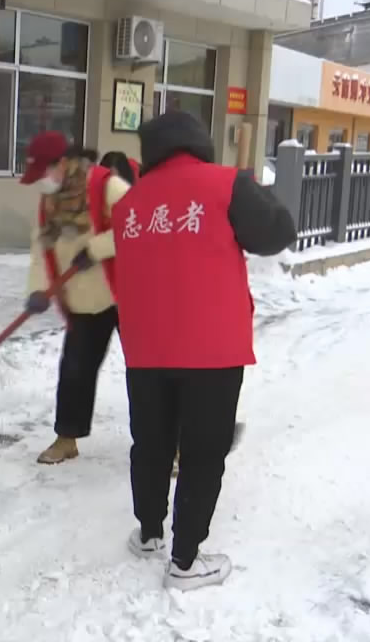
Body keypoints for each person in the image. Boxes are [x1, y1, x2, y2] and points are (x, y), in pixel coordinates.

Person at [112, 111, 296, 591]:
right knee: (201, 451)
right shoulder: (226, 185)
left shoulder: (129, 204)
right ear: (200, 143)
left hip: (146, 349)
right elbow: (276, 233)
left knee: (150, 443)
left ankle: (149, 533)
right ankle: (187, 562)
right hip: (211, 349)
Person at [19, 132, 132, 465]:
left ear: (64, 163)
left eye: (44, 173)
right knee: (75, 370)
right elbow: (41, 249)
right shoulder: (50, 202)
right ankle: (67, 438)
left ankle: (168, 444)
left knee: (147, 376)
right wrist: (37, 290)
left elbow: (138, 222)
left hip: (127, 293)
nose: (42, 183)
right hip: (84, 299)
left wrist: (97, 249)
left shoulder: (105, 186)